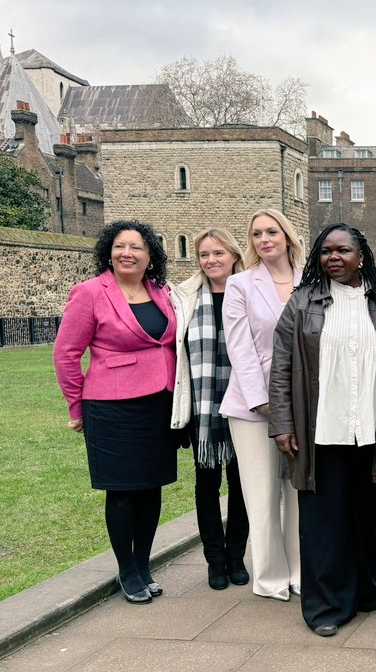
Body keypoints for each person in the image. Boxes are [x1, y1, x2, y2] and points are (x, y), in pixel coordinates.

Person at [268, 223, 376, 637]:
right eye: (325, 251)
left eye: (343, 251)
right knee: (323, 522)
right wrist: (283, 423)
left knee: (361, 515)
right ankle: (325, 606)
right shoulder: (303, 303)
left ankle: (366, 590)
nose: (333, 257)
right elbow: (281, 366)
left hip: (369, 429)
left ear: (362, 256)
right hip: (320, 429)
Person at [54, 220, 178, 604]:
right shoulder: (90, 293)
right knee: (123, 491)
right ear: (108, 252)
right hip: (111, 407)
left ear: (149, 255)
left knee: (152, 487)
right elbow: (66, 354)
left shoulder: (160, 292)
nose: (127, 253)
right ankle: (127, 569)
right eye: (120, 246)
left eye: (136, 247)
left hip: (159, 402)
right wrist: (77, 406)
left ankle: (143, 564)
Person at [221, 208, 303, 601]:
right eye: (256, 234)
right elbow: (240, 347)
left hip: (304, 402)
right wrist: (262, 401)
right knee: (262, 493)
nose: (265, 239)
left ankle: (301, 573)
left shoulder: (311, 280)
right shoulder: (240, 284)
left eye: (272, 231)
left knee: (300, 491)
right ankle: (270, 577)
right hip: (252, 407)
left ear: (287, 236)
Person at [170, 229, 250, 591]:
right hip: (202, 407)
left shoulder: (249, 290)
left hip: (245, 402)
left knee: (241, 484)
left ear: (233, 255)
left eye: (218, 253)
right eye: (204, 254)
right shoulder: (186, 297)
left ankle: (236, 556)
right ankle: (214, 561)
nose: (211, 260)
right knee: (206, 484)